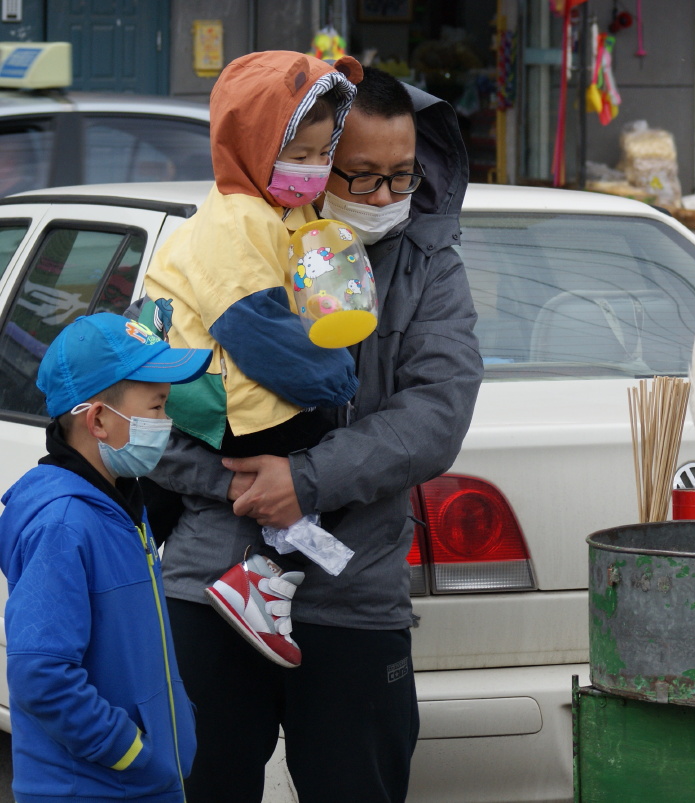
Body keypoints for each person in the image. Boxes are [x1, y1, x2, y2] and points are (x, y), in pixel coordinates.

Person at [148, 66, 483, 802]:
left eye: (403, 177)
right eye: (360, 176)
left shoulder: (429, 266)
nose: (385, 198)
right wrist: (245, 486)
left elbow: (437, 413)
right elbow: (154, 398)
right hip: (211, 584)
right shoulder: (223, 244)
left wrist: (304, 480)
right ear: (309, 157)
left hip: (353, 594)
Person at [141, 50, 364, 669]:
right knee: (325, 459)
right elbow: (255, 327)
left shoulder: (278, 210)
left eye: (324, 154)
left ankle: (266, 569)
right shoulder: (237, 219)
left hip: (215, 388)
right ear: (251, 145)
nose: (315, 169)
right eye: (299, 155)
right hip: (226, 394)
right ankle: (262, 576)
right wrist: (336, 380)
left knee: (311, 474)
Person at [0, 312, 211, 802]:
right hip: (98, 788)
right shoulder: (64, 523)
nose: (167, 424)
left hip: (139, 785)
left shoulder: (120, 506)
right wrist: (132, 752)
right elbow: (42, 675)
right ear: (97, 419)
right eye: (156, 408)